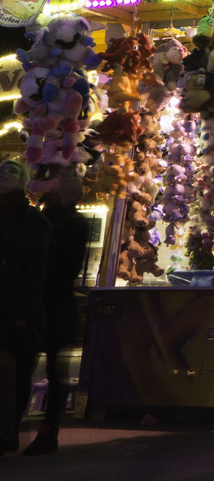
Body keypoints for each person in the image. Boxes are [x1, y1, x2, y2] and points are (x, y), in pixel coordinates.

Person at [17, 167, 87, 456]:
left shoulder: (64, 221)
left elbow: (66, 265)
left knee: (43, 367)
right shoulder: (47, 218)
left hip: (52, 303)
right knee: (30, 366)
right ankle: (28, 427)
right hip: (49, 302)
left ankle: (47, 429)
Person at [0, 159, 49, 456]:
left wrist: (24, 314)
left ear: (23, 180)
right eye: (1, 169)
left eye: (13, 170)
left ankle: (8, 433)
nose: (5, 173)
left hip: (14, 309)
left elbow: (36, 270)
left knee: (13, 377)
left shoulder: (32, 220)